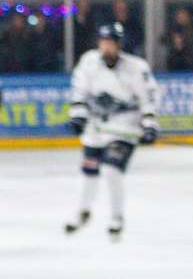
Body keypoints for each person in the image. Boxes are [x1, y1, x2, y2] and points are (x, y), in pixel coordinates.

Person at [65, 22, 158, 241]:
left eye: (111, 43)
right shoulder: (89, 62)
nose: (106, 47)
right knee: (89, 172)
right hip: (96, 127)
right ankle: (84, 211)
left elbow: (149, 98)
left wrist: (149, 124)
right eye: (103, 43)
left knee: (111, 170)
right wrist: (78, 116)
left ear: (119, 45)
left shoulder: (136, 68)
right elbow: (80, 92)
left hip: (124, 127)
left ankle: (117, 218)